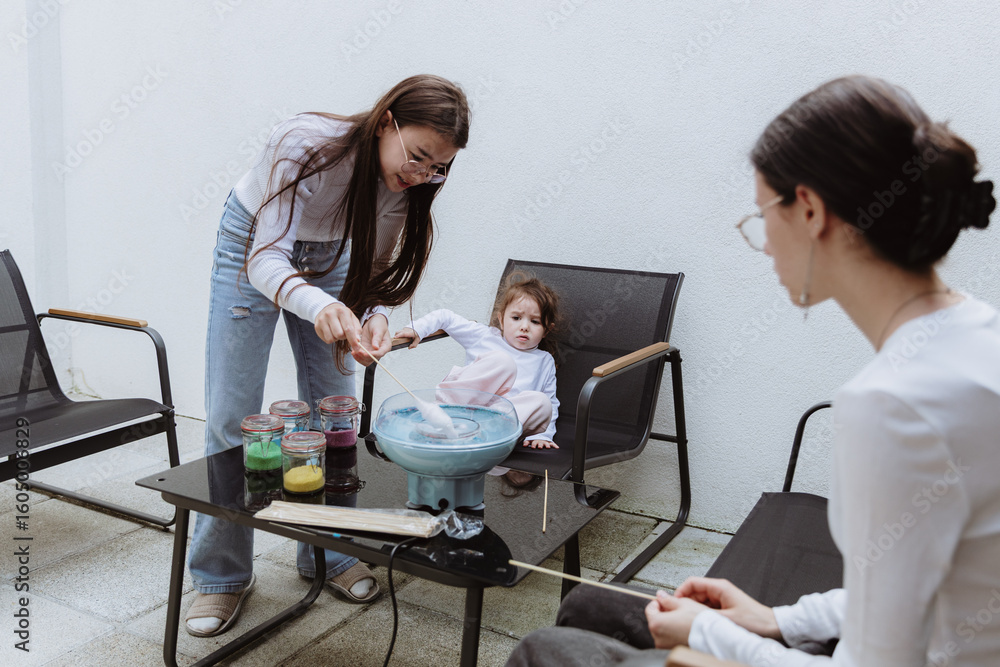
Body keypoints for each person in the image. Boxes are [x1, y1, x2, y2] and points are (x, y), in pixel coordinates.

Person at [506, 75, 999, 666]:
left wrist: (713, 639)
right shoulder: (975, 334)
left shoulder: (893, 405)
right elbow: (909, 588)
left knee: (546, 650)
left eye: (765, 215)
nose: (764, 245)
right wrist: (775, 619)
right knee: (589, 606)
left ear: (811, 210)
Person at [184, 75, 470, 637]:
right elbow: (266, 259)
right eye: (417, 157)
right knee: (232, 417)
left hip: (334, 250)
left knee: (334, 412)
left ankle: (328, 551)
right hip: (255, 242)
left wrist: (376, 316)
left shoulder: (404, 183)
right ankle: (220, 575)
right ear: (386, 121)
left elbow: (384, 265)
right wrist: (318, 304)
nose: (421, 175)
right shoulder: (303, 144)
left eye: (437, 168)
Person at [394, 272, 561, 448]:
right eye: (516, 318)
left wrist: (545, 435)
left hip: (497, 426)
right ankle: (446, 411)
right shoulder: (484, 336)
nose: (524, 327)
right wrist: (417, 329)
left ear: (546, 330)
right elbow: (445, 317)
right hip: (461, 409)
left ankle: (485, 439)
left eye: (535, 322)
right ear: (501, 320)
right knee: (503, 362)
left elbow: (551, 402)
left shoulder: (544, 361)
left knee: (542, 403)